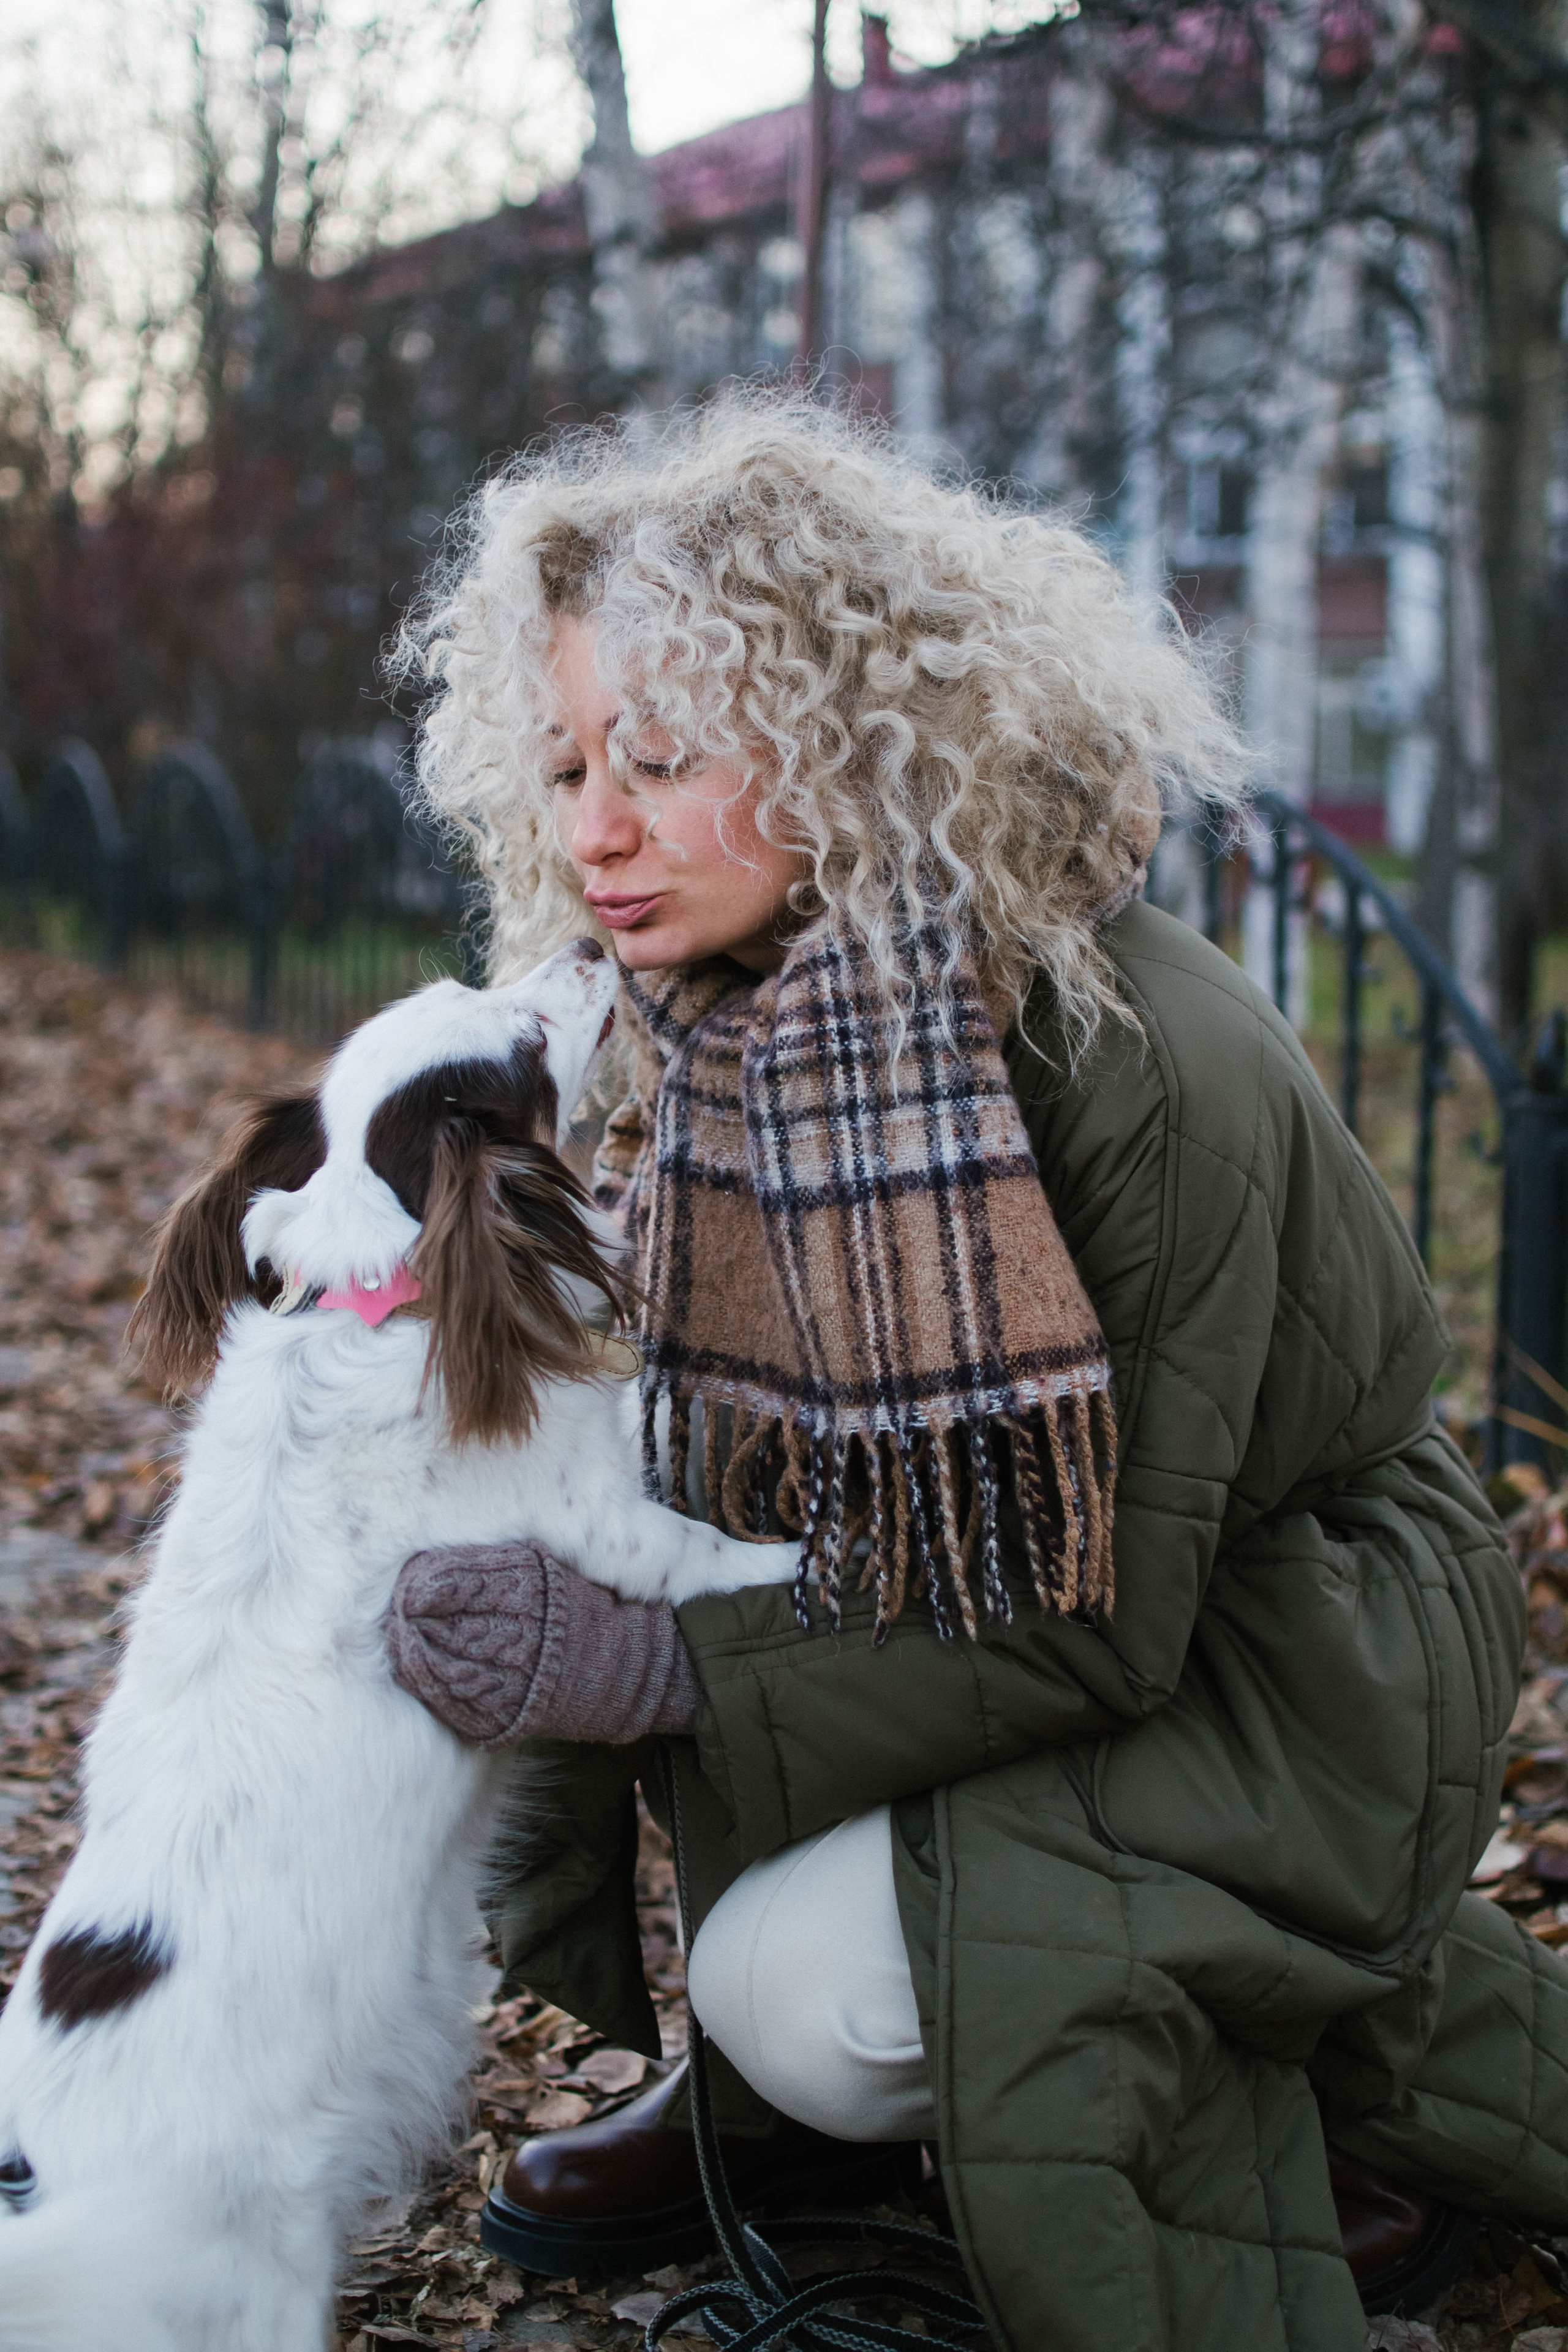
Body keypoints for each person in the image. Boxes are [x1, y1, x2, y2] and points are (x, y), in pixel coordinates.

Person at [383, 394, 1566, 2351]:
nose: (596, 828)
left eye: (664, 759)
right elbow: (757, 1499)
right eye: (572, 759)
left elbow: (1108, 1618)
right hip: (1092, 1632)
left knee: (818, 1986)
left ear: (851, 748)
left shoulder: (1132, 1061)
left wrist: (658, 1663)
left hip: (1295, 1646)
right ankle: (799, 2122)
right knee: (733, 1586)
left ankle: (1263, 2089)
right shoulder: (721, 1027)